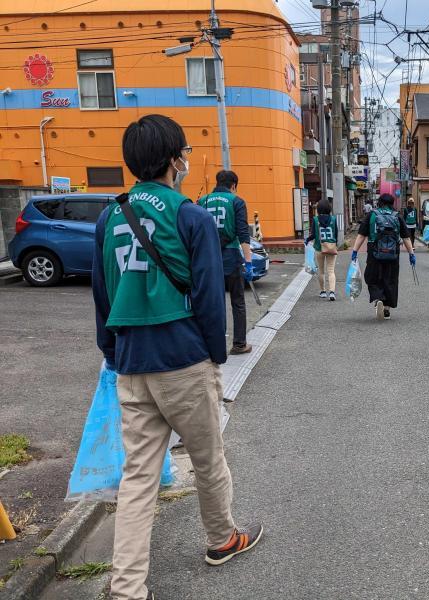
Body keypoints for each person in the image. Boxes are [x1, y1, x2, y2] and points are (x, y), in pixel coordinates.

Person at [92, 115, 261, 600]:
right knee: (208, 460)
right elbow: (209, 298)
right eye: (183, 152)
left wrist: (113, 352)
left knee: (139, 476)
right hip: (183, 360)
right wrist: (214, 357)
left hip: (130, 361)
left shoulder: (110, 216)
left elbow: (101, 297)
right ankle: (221, 539)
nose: (186, 159)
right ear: (173, 159)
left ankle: (127, 588)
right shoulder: (190, 216)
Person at [198, 169, 253, 354]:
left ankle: (214, 345)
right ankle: (239, 344)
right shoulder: (236, 201)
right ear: (233, 185)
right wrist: (248, 261)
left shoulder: (202, 201)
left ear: (217, 183)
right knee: (237, 302)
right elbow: (243, 234)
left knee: (214, 302)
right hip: (231, 258)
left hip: (208, 258)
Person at [350, 193, 415, 320]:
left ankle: (378, 298)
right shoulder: (397, 216)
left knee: (372, 277)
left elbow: (361, 235)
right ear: (392, 204)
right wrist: (411, 254)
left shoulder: (372, 215)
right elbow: (406, 237)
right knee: (390, 279)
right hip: (393, 254)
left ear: (379, 202)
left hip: (374, 253)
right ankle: (387, 308)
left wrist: (355, 251)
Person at [305, 199, 338, 300]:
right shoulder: (333, 219)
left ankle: (323, 291)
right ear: (329, 208)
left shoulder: (315, 219)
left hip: (319, 248)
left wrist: (307, 240)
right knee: (331, 271)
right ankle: (332, 292)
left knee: (321, 271)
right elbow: (336, 234)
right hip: (331, 248)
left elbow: (314, 234)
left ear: (318, 209)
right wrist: (334, 244)